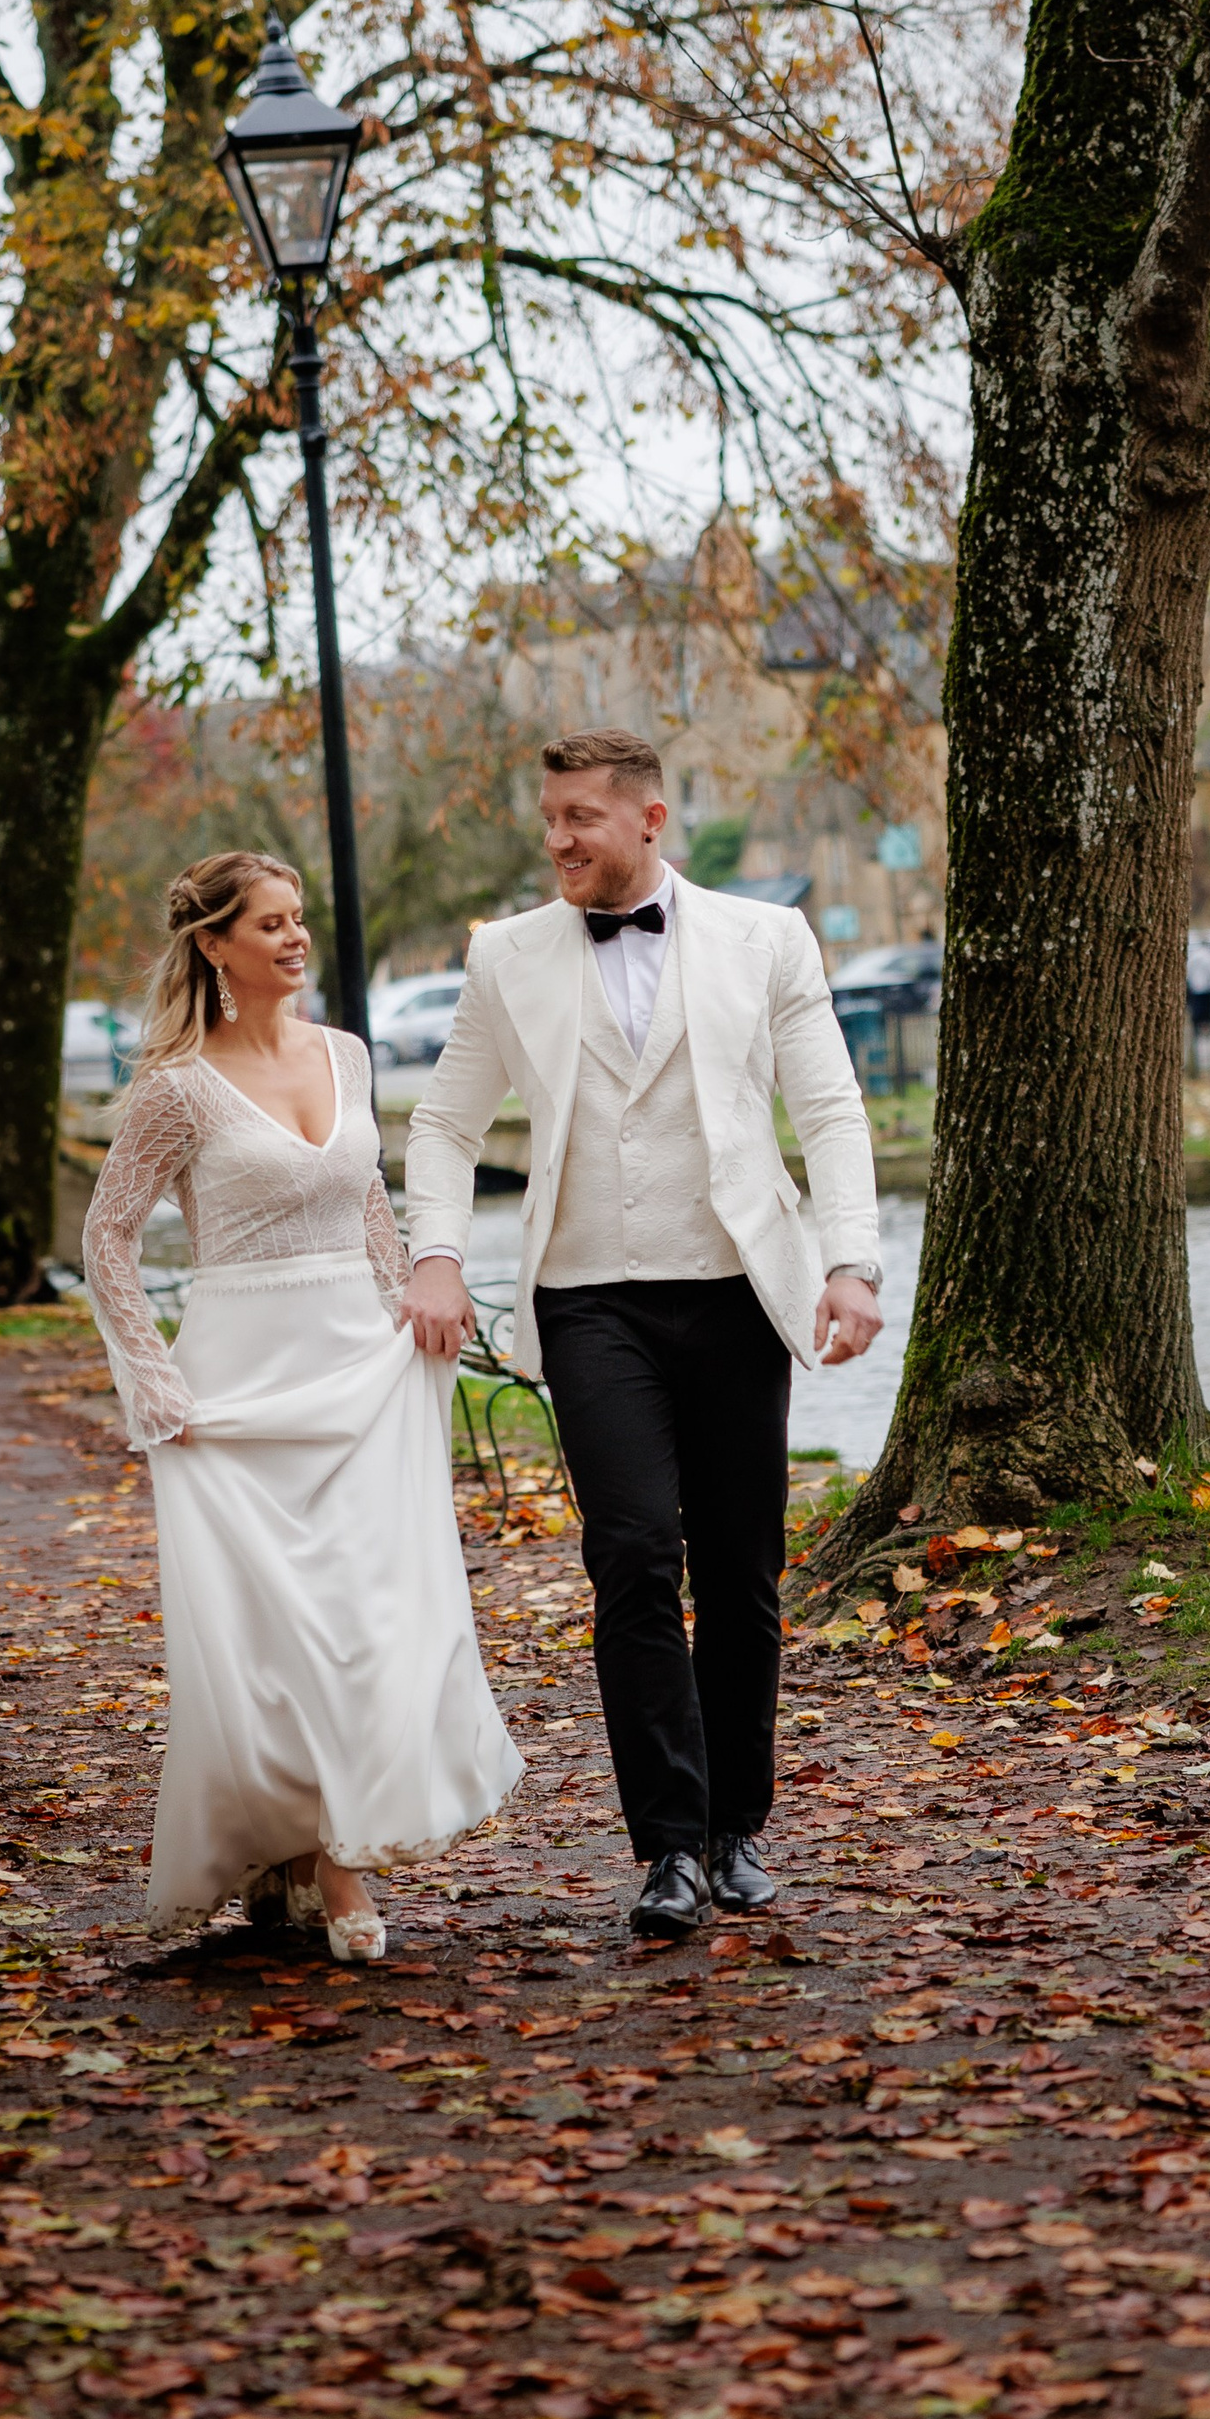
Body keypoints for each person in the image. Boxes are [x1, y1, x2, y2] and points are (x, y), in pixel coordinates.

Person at [403, 729, 883, 1942]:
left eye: (580, 818)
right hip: (589, 1297)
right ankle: (666, 1843)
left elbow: (827, 1107)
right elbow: (445, 1125)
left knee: (740, 1570)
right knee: (628, 1554)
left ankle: (737, 1830)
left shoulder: (765, 938)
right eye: (549, 818)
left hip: (734, 1291)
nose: (557, 839)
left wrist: (852, 1264)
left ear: (649, 820)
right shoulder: (507, 957)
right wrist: (438, 1253)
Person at [83, 851, 523, 1958]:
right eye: (268, 924)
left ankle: (334, 1852)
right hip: (237, 1384)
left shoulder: (348, 1054)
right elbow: (107, 1237)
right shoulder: (176, 1088)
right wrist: (150, 1373)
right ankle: (303, 1856)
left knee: (364, 1616)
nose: (292, 939)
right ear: (215, 945)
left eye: (298, 921)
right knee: (272, 1634)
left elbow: (368, 1198)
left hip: (358, 1369)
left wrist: (415, 1300)